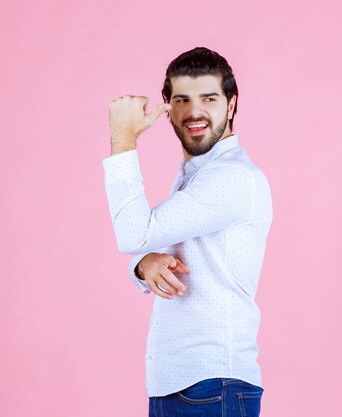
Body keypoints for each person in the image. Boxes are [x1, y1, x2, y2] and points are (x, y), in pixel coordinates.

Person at [102, 47, 273, 417]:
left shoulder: (232, 178)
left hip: (213, 386)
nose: (194, 111)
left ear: (231, 105)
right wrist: (143, 264)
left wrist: (123, 138)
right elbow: (144, 243)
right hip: (181, 385)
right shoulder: (195, 177)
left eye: (208, 98)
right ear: (167, 107)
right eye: (182, 99)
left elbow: (134, 233)